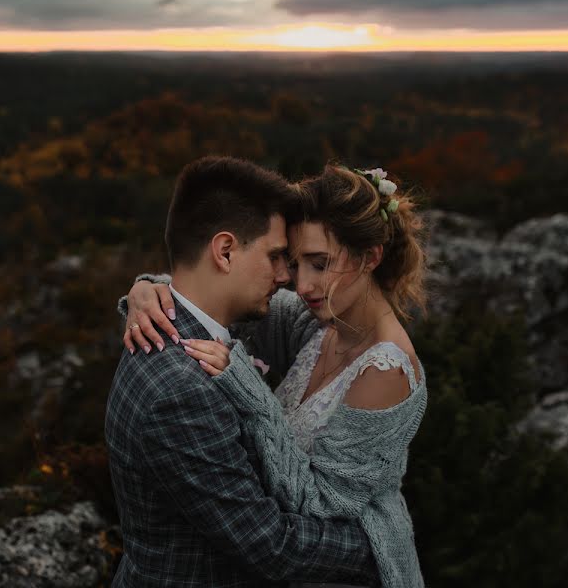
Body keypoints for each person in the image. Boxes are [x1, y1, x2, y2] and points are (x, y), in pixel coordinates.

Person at [122, 164, 428, 587]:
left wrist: (249, 389)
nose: (299, 284)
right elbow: (209, 290)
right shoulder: (315, 324)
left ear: (370, 257)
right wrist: (148, 290)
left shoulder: (386, 370)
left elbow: (321, 503)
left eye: (319, 264)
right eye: (292, 262)